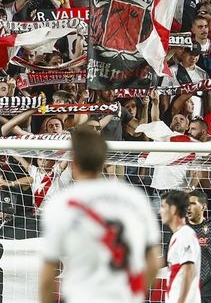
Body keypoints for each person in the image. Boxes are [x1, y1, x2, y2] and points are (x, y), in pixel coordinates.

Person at [39, 128, 161, 303]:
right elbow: (154, 262)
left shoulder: (62, 203)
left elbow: (47, 275)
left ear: (74, 163)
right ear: (104, 161)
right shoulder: (134, 198)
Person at [163, 190, 202, 303]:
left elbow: (189, 271)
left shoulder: (185, 235)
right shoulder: (178, 235)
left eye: (163, 207)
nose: (160, 211)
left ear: (173, 209)